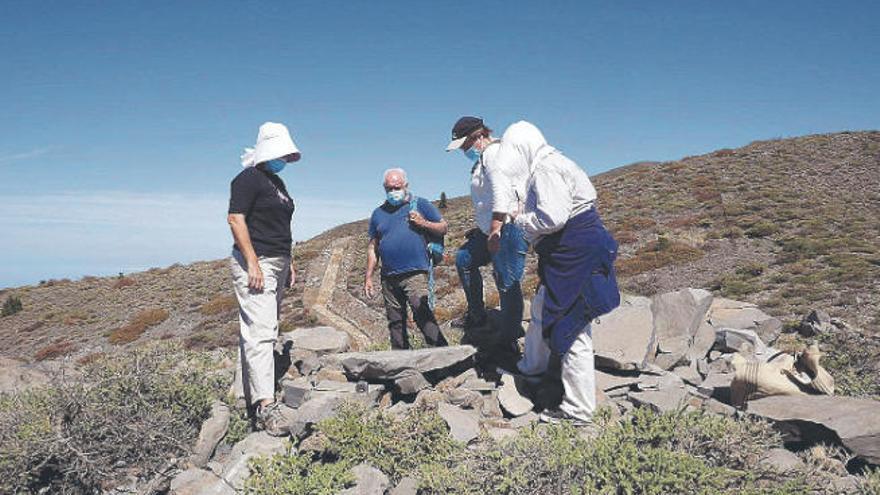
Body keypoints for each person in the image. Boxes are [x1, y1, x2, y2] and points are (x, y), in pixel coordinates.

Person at [503, 121, 620, 425]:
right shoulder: (552, 164)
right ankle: (532, 367)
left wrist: (519, 219)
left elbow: (552, 217)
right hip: (567, 250)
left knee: (572, 324)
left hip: (573, 250)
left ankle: (579, 410)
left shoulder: (546, 169)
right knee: (544, 307)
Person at [227, 122, 301, 436]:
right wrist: (253, 263)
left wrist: (289, 262)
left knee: (266, 328)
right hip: (256, 262)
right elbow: (235, 218)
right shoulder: (248, 179)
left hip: (277, 261)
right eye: (281, 152)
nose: (284, 158)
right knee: (260, 332)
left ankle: (247, 393)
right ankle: (264, 407)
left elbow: (279, 226)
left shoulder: (276, 183)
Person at [446, 116, 528, 353]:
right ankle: (477, 314)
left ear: (478, 136)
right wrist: (483, 228)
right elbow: (487, 199)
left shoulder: (495, 154)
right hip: (492, 227)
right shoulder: (484, 158)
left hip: (507, 227)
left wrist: (494, 229)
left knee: (506, 280)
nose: (464, 150)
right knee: (464, 259)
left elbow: (502, 192)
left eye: (464, 144)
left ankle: (509, 339)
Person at [364, 168, 449, 350]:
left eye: (397, 187)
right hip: (388, 276)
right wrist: (368, 277)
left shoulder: (421, 205)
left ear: (406, 185)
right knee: (395, 320)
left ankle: (444, 355)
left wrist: (423, 223)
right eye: (389, 188)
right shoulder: (378, 213)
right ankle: (400, 360)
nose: (393, 191)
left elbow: (443, 227)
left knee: (422, 313)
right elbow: (373, 246)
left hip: (415, 271)